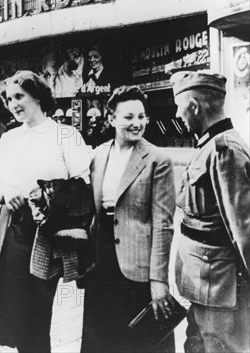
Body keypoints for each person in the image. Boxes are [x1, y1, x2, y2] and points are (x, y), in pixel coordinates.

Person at [0, 70, 91, 353]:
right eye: (8, 98)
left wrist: (45, 195)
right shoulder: (9, 139)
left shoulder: (64, 134)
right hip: (13, 229)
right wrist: (8, 194)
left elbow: (82, 183)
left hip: (47, 232)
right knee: (16, 312)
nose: (13, 103)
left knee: (38, 312)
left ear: (38, 95)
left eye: (20, 96)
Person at [81, 85, 176, 353]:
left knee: (138, 342)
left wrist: (159, 280)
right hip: (101, 264)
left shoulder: (158, 160)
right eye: (128, 117)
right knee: (100, 339)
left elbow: (163, 224)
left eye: (141, 116)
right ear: (111, 119)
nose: (137, 124)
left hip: (137, 268)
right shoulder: (98, 155)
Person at [170, 70, 250, 353]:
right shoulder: (208, 145)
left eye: (180, 108)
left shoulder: (224, 150)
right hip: (206, 282)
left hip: (220, 286)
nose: (178, 116)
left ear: (194, 106)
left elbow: (243, 228)